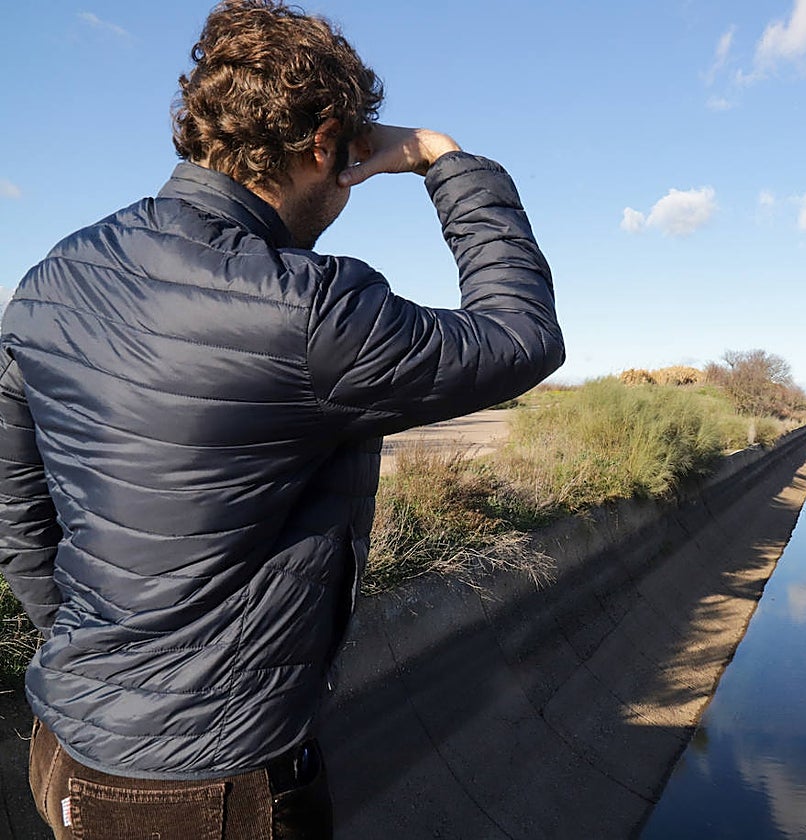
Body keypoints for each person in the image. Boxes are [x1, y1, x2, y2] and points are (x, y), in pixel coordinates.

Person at [0, 1, 564, 836]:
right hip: (211, 786)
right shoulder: (312, 308)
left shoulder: (55, 276)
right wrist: (447, 160)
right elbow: (522, 336)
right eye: (346, 159)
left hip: (65, 747)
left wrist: (110, 668)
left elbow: (21, 513)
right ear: (324, 143)